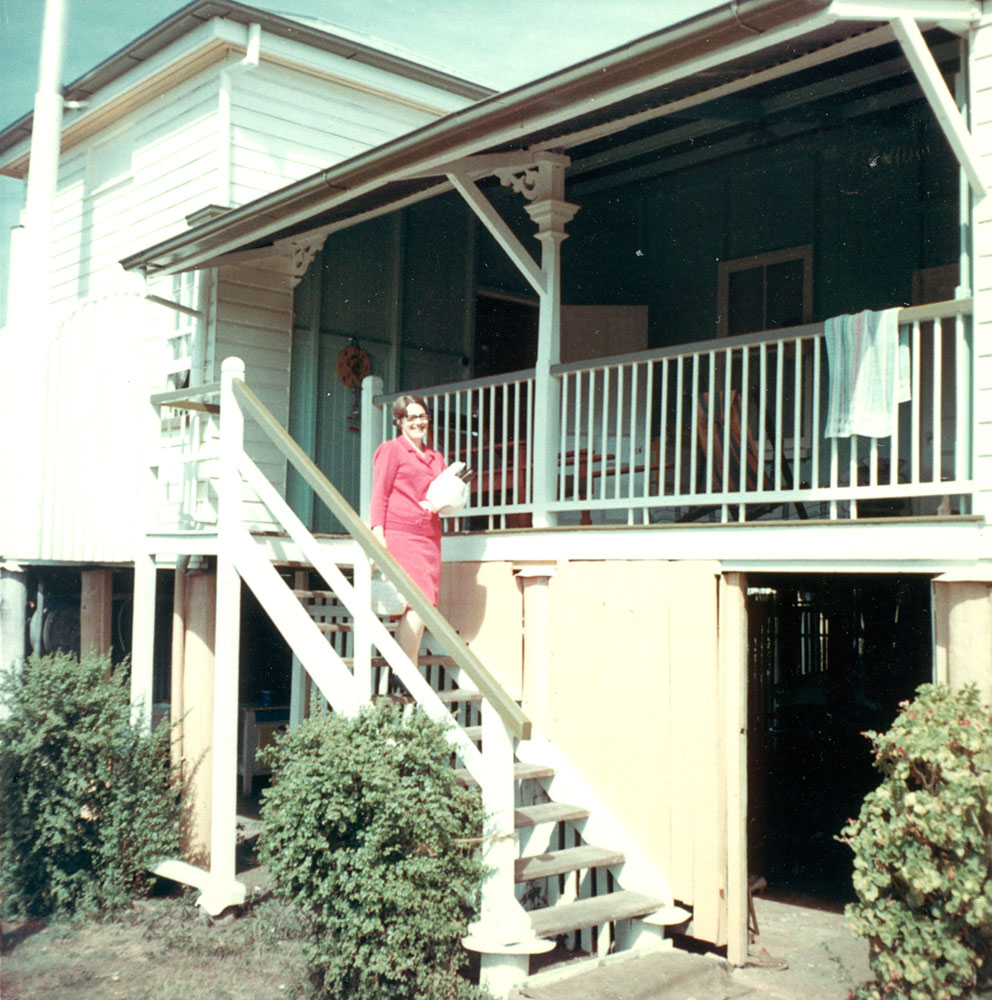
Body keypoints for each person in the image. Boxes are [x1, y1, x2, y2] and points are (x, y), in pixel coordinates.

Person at [369, 394, 445, 662]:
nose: (417, 422)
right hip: (401, 535)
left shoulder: (437, 458)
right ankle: (405, 674)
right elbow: (380, 493)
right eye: (411, 417)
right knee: (416, 602)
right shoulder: (391, 450)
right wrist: (378, 532)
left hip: (429, 536)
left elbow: (443, 495)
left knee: (424, 604)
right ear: (399, 421)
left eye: (422, 416)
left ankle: (402, 673)